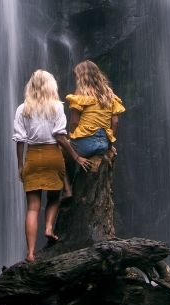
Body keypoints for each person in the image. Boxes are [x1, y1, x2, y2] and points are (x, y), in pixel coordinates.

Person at [13, 70, 91, 263]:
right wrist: (75, 156)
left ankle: (30, 253)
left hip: (32, 156)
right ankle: (48, 227)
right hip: (52, 156)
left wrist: (20, 166)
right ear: (51, 86)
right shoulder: (56, 107)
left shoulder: (22, 109)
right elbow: (60, 136)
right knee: (54, 198)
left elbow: (20, 140)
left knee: (32, 207)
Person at [66, 60, 125, 163]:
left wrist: (72, 139)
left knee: (63, 148)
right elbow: (115, 123)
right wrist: (109, 145)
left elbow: (74, 122)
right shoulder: (109, 94)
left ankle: (69, 177)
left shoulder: (81, 92)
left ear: (81, 77)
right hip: (103, 145)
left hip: (85, 145)